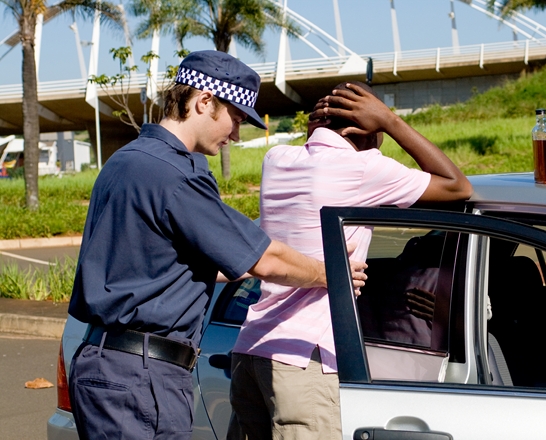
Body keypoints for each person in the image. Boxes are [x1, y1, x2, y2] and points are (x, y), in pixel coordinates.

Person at [66, 51, 366, 440]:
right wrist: (332, 274)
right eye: (237, 118)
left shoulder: (126, 161)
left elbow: (173, 264)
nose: (236, 134)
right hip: (140, 374)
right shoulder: (174, 174)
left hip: (108, 365)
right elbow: (264, 258)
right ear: (204, 102)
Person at [228, 81, 473, 439]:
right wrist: (391, 120)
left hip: (252, 349)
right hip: (305, 359)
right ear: (365, 128)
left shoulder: (276, 160)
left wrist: (323, 128)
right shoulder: (363, 168)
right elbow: (457, 187)